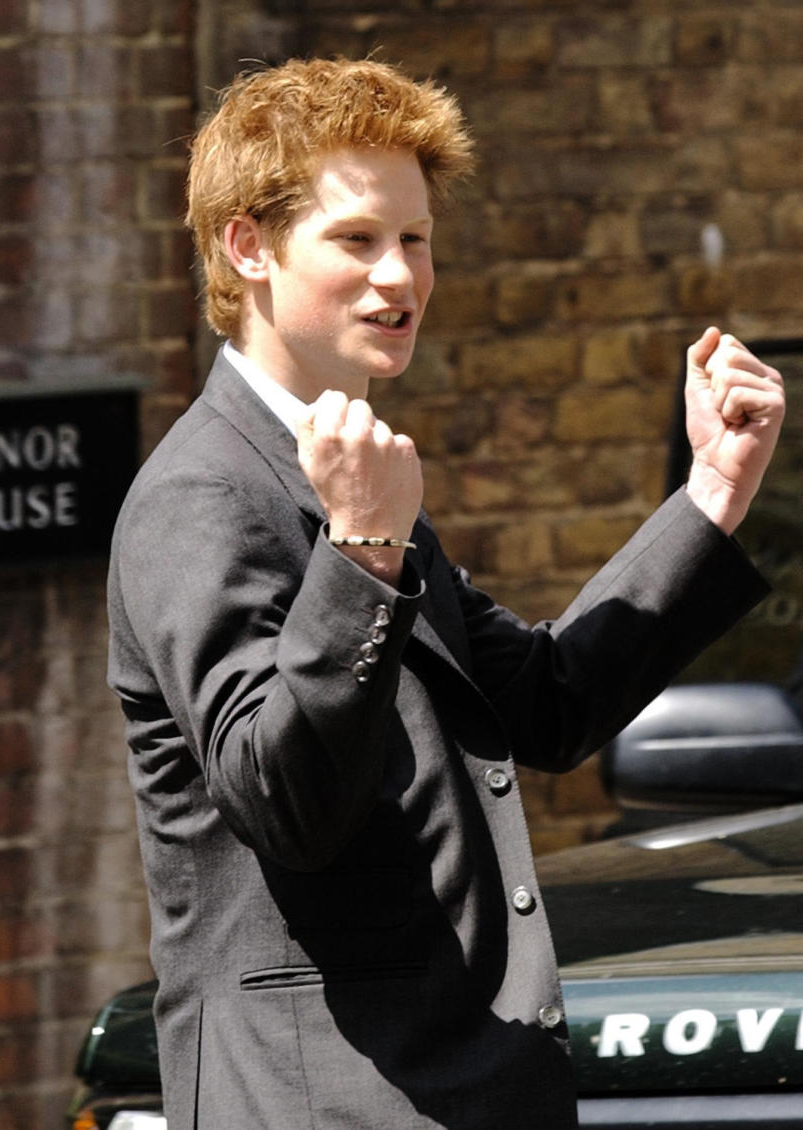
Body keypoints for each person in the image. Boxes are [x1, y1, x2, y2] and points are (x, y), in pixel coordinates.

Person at [107, 57, 785, 1130]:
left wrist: (709, 497)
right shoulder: (201, 493)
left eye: (415, 239)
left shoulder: (343, 474)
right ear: (249, 246)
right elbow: (284, 801)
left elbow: (543, 703)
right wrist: (364, 548)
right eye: (357, 238)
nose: (400, 277)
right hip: (317, 1102)